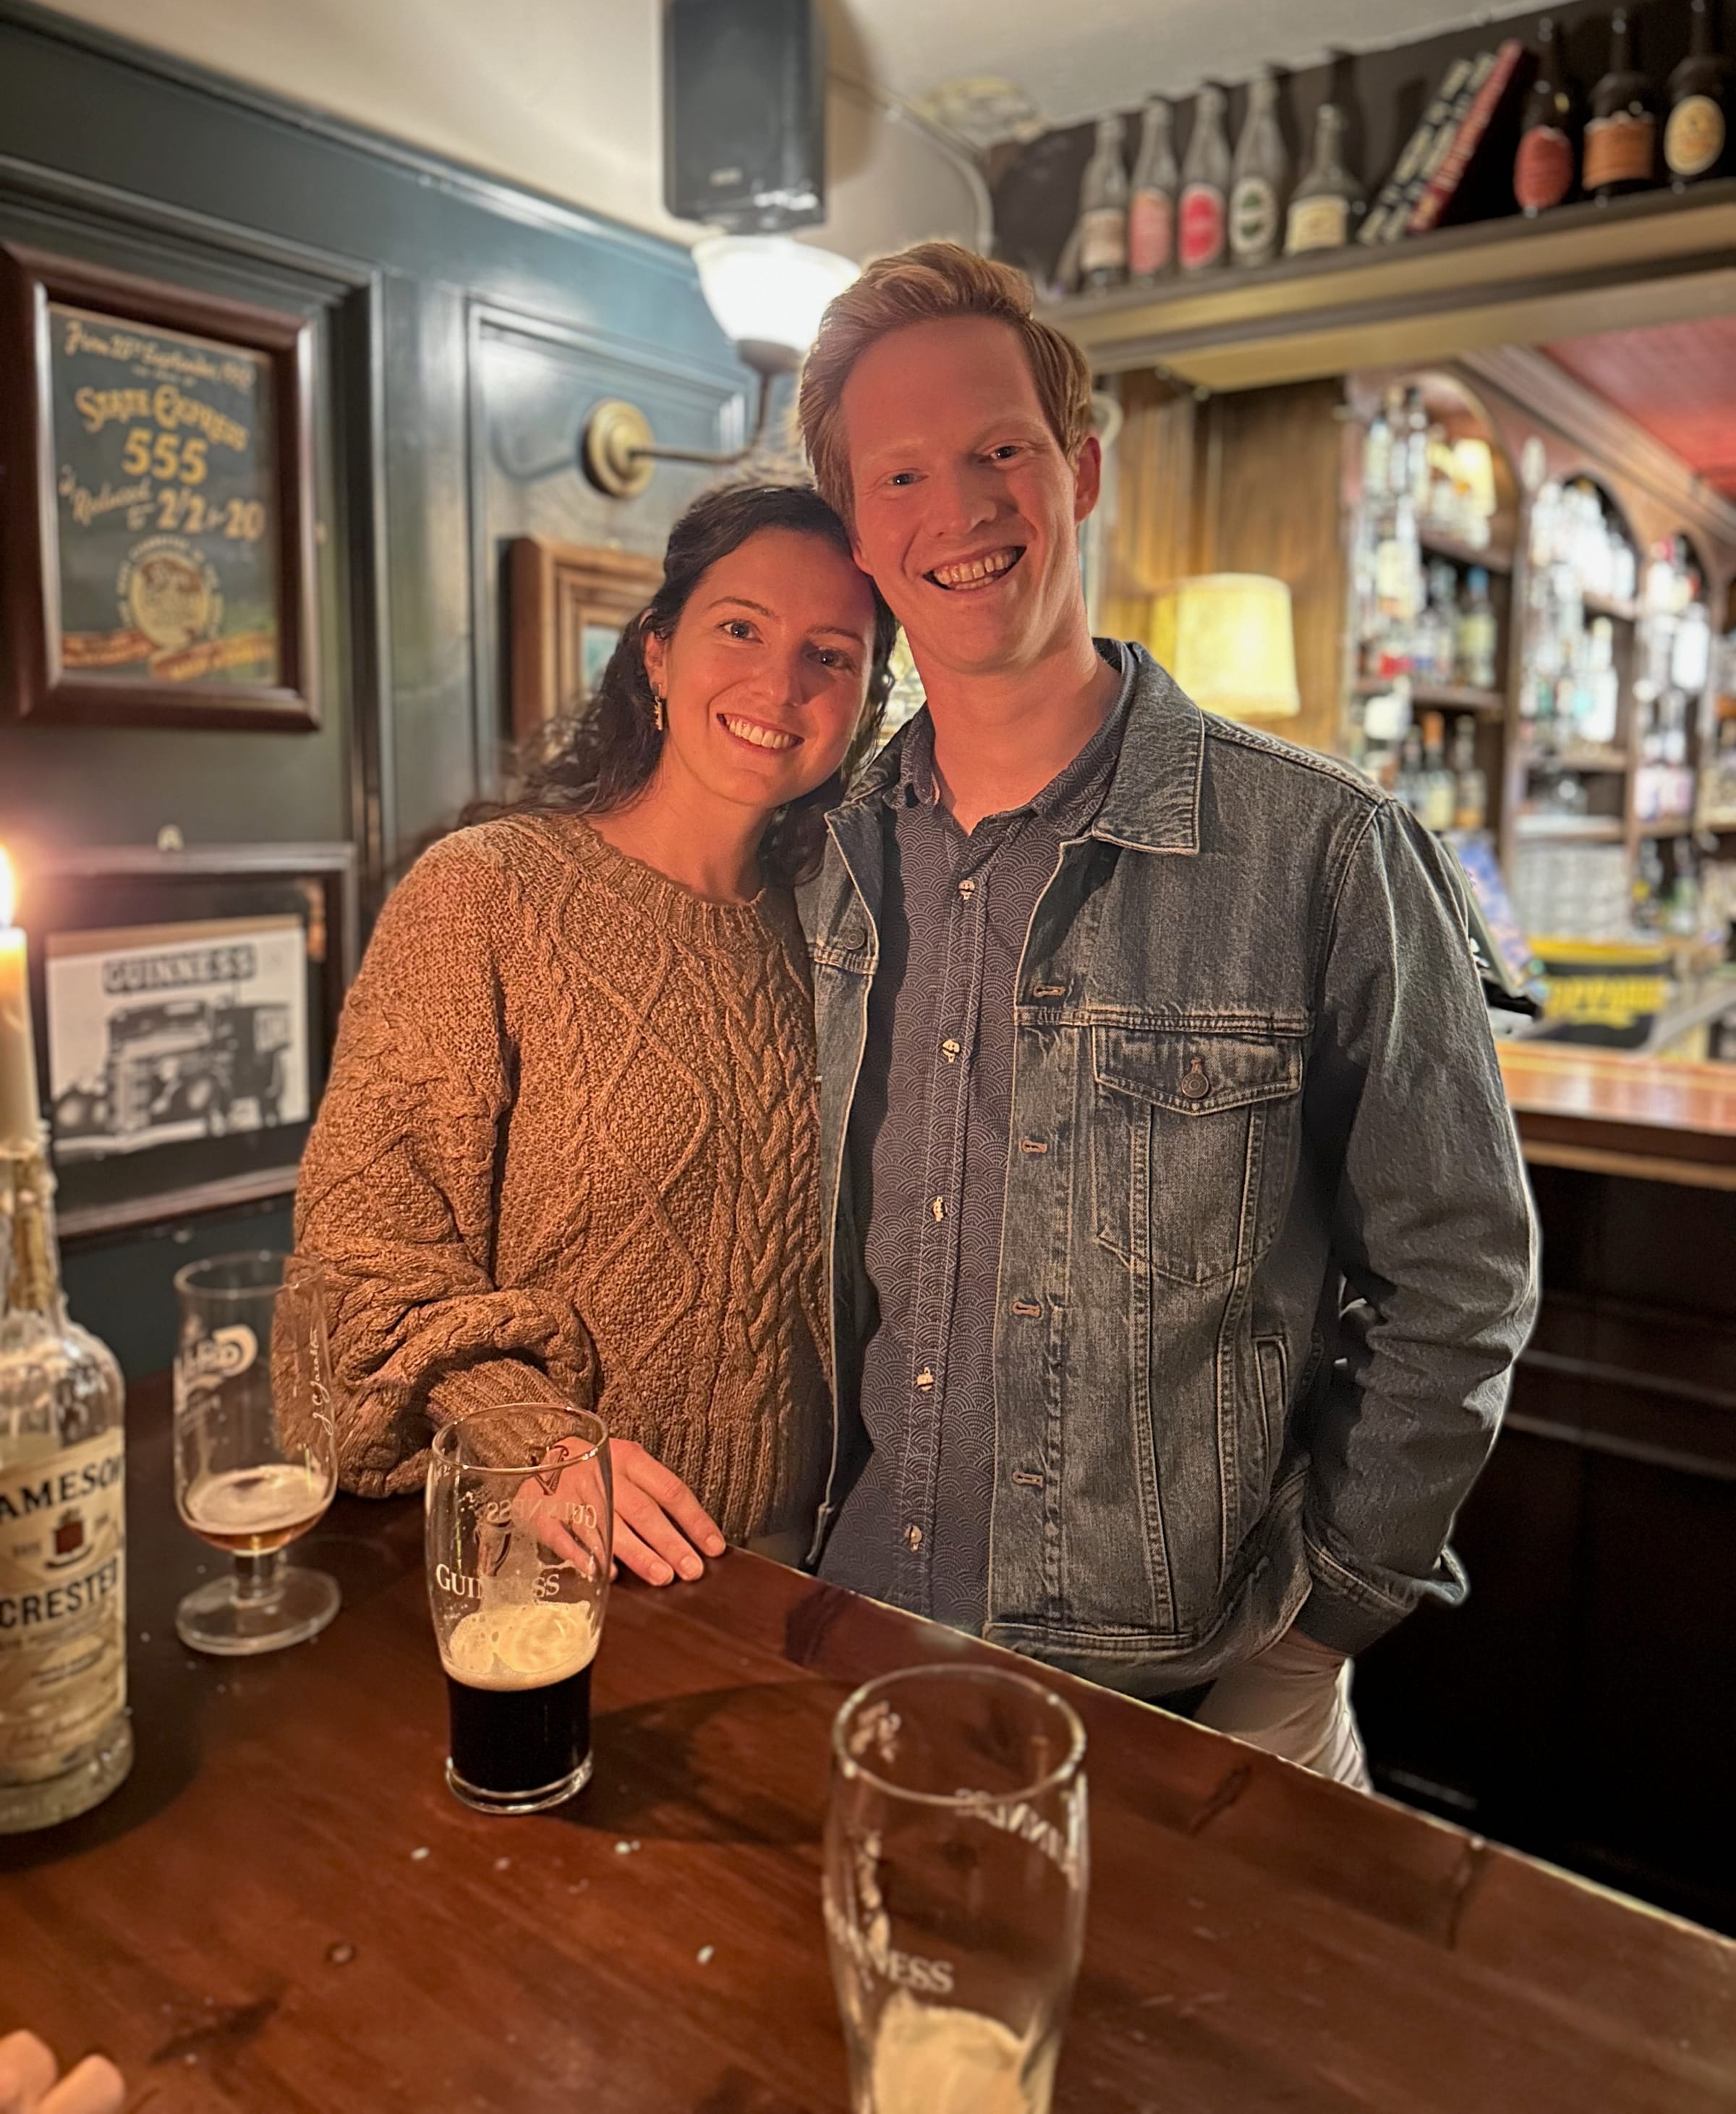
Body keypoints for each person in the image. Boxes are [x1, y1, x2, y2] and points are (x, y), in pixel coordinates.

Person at [793, 244, 1537, 1784]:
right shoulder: (824, 857)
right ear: (861, 532)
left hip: (1197, 1700)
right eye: (904, 473)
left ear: (1078, 470)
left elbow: (1460, 1270)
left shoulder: (1326, 848)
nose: (962, 508)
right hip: (856, 1648)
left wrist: (1330, 1620)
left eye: (1001, 449)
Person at [294, 483, 895, 1585]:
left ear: (866, 701)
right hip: (547, 1548)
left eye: (832, 655)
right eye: (740, 629)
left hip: (801, 1566)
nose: (779, 683)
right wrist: (542, 1441)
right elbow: (363, 1258)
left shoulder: (846, 937)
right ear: (656, 654)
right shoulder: (486, 896)